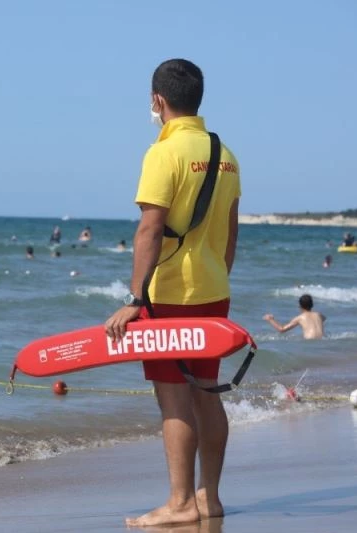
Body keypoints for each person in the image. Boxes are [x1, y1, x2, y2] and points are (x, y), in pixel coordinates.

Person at [104, 59, 241, 527]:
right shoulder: (226, 154)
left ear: (157, 100)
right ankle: (209, 498)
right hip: (213, 290)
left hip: (169, 297)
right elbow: (230, 232)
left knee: (174, 398)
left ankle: (181, 503)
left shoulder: (163, 153)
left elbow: (149, 229)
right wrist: (215, 277)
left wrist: (135, 299)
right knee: (206, 391)